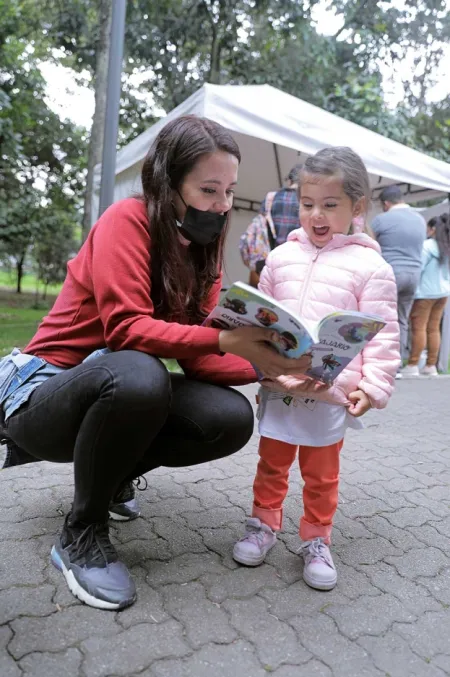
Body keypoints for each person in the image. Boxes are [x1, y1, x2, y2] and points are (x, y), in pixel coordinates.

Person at [0, 115, 312, 611]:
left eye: (229, 191)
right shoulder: (126, 221)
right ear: (168, 183)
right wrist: (231, 342)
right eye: (209, 189)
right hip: (42, 390)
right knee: (139, 372)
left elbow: (204, 361)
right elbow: (126, 330)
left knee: (229, 418)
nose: (223, 204)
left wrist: (270, 368)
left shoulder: (204, 254)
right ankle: (81, 532)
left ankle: (111, 476)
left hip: (111, 383)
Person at [232, 147, 400, 591]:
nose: (316, 216)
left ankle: (316, 539)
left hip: (329, 391)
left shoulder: (371, 266)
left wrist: (373, 385)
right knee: (271, 464)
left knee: (321, 475)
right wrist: (256, 359)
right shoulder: (280, 258)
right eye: (308, 204)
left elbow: (383, 334)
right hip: (280, 384)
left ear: (357, 207)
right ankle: (263, 524)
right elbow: (260, 319)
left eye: (330, 205)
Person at [371, 185, 426, 378]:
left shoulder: (381, 220)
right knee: (401, 320)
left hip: (391, 273)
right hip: (414, 275)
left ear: (386, 203)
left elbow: (370, 245)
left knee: (380, 318)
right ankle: (397, 366)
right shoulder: (420, 220)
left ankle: (380, 363)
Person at [403, 213, 450, 376]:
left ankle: (413, 364)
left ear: (433, 229)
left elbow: (418, 268)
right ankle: (431, 365)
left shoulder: (428, 245)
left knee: (419, 328)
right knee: (433, 328)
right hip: (443, 293)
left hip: (424, 293)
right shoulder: (446, 246)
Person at [248, 163, 302, 287]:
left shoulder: (271, 197)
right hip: (295, 265)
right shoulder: (306, 202)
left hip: (268, 261)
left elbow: (260, 227)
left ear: (289, 180)